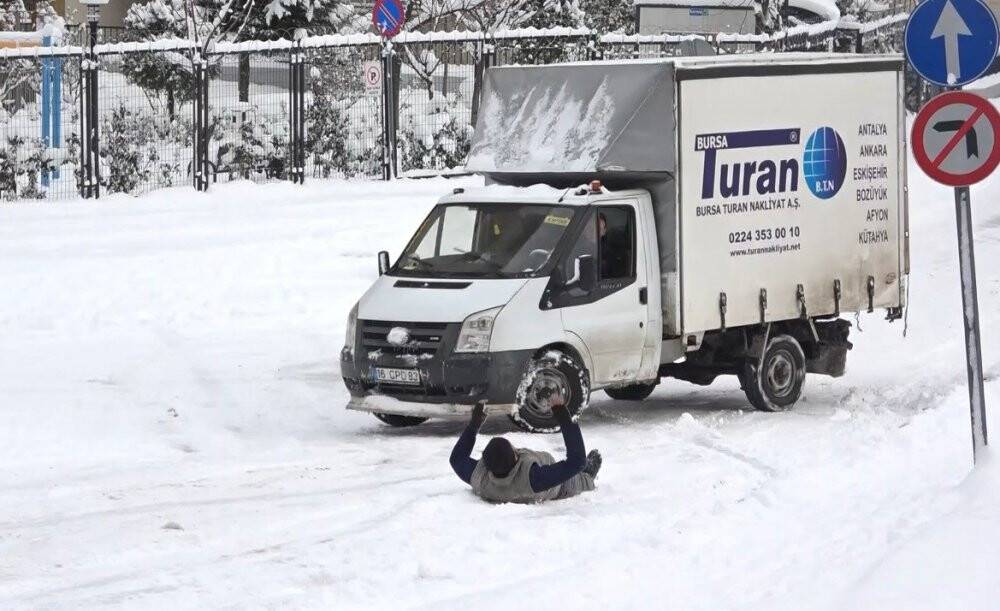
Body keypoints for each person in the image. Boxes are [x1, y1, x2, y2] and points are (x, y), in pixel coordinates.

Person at [449, 395, 602, 504]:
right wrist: (562, 413)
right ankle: (588, 476)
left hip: (540, 475)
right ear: (515, 457)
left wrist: (474, 424)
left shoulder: (481, 479)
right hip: (562, 486)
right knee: (580, 477)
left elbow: (456, 459)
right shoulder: (534, 478)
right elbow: (576, 463)